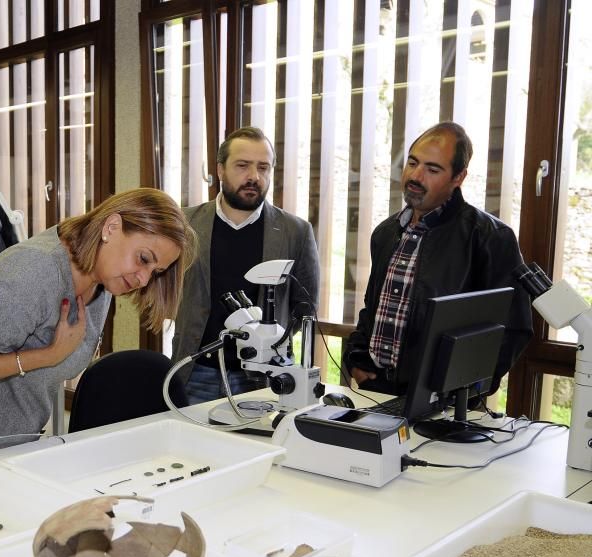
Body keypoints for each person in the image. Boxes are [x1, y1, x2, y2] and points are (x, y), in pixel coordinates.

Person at [0, 188, 198, 469]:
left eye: (154, 271)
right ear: (111, 227)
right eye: (143, 259)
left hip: (9, 443)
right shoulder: (34, 271)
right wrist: (49, 354)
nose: (144, 279)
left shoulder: (102, 280)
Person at [344, 122, 533, 395]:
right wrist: (355, 359)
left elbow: (513, 330)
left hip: (441, 405)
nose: (416, 176)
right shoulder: (386, 233)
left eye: (432, 169)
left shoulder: (489, 237)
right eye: (412, 163)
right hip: (376, 392)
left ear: (459, 177)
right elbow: (373, 309)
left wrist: (459, 390)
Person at [172, 127, 320, 405]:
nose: (254, 176)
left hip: (263, 376)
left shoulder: (296, 231)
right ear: (220, 169)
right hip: (195, 372)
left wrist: (270, 344)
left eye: (263, 167)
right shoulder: (184, 224)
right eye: (242, 166)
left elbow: (306, 308)